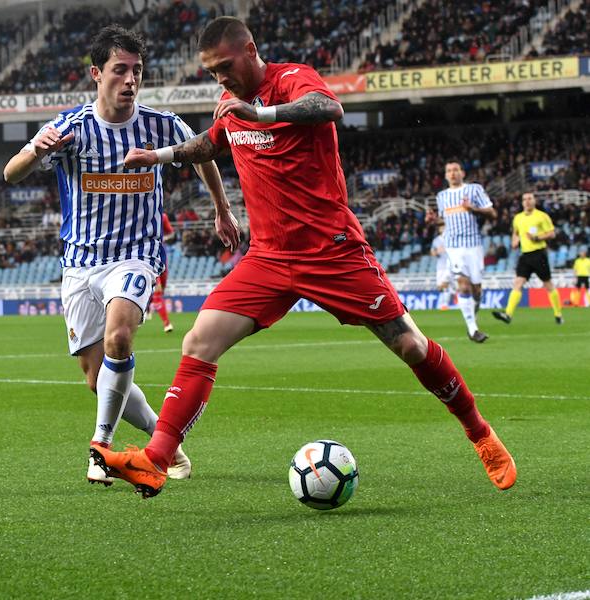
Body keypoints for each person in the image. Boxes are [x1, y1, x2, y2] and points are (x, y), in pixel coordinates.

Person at [90, 16, 516, 498]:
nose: (221, 78)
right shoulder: (228, 103)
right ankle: (157, 460)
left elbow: (327, 107)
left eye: (225, 66)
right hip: (268, 258)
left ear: (251, 50)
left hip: (331, 252)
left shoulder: (293, 79)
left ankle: (480, 433)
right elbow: (212, 142)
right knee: (199, 342)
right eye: (211, 72)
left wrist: (264, 116)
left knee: (411, 347)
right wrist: (162, 156)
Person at [3, 25, 241, 486]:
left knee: (120, 337)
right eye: (120, 70)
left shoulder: (160, 124)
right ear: (97, 74)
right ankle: (163, 442)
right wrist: (37, 151)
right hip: (79, 264)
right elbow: (11, 174)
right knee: (97, 379)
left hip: (135, 256)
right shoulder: (70, 128)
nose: (130, 80)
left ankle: (100, 447)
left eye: (137, 70)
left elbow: (204, 153)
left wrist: (222, 209)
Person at [435, 160, 497, 342]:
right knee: (463, 284)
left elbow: (492, 213)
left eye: (455, 170)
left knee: (477, 290)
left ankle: (473, 317)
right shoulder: (442, 196)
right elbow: (443, 220)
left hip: (474, 245)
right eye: (449, 171)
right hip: (453, 246)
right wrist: (433, 221)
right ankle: (472, 329)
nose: (452, 173)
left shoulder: (474, 190)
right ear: (445, 175)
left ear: (462, 172)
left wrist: (473, 209)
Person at [492, 192, 563, 325]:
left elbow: (552, 233)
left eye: (530, 198)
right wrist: (514, 242)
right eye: (524, 199)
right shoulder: (518, 218)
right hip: (525, 255)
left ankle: (558, 314)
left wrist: (537, 238)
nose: (527, 201)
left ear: (534, 201)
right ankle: (508, 314)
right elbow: (515, 233)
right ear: (522, 202)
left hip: (539, 253)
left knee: (548, 285)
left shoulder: (542, 216)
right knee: (518, 283)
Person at [148, 212, 176, 332]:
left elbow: (171, 233)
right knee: (158, 290)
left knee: (161, 289)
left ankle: (148, 307)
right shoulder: (140, 214)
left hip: (162, 257)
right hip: (148, 258)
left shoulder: (163, 216)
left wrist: (163, 238)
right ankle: (167, 323)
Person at [429, 223, 455, 310]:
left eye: (444, 227)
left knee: (445, 283)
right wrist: (437, 251)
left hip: (450, 264)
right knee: (440, 286)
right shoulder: (436, 240)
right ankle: (451, 299)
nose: (442, 228)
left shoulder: (451, 238)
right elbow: (432, 253)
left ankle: (445, 305)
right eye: (441, 227)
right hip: (440, 265)